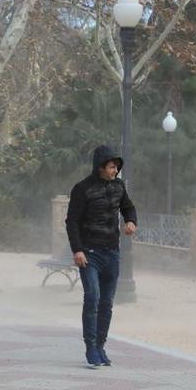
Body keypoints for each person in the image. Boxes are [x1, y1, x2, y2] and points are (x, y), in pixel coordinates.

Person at [65, 145, 137, 368]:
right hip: (90, 254)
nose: (115, 171)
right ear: (100, 167)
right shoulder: (82, 189)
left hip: (112, 252)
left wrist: (131, 220)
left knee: (106, 303)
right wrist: (77, 249)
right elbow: (72, 222)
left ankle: (101, 346)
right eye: (112, 167)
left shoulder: (118, 186)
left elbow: (128, 207)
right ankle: (90, 347)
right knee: (93, 298)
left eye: (116, 167)